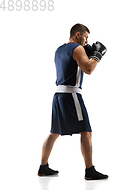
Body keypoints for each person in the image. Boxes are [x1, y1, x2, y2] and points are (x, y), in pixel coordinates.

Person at [38, 23, 108, 180]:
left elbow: (71, 65)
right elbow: (88, 69)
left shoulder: (59, 49)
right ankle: (89, 171)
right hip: (72, 95)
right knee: (86, 131)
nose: (87, 40)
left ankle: (43, 167)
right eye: (86, 36)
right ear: (78, 34)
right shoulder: (78, 49)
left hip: (58, 96)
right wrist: (96, 56)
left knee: (54, 132)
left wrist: (87, 54)